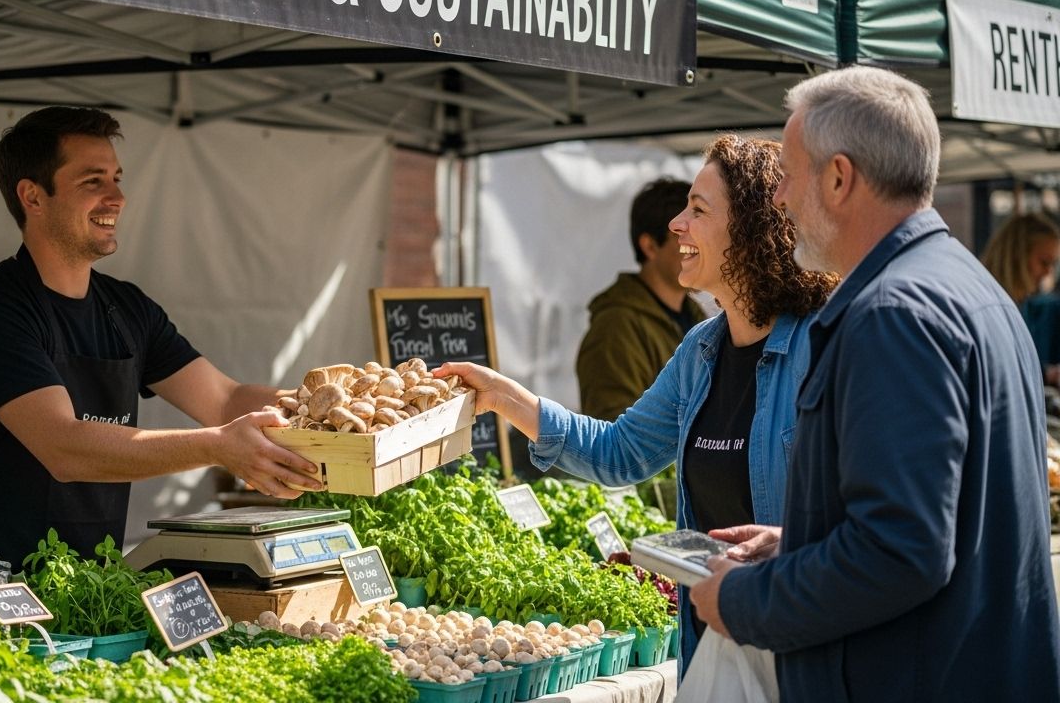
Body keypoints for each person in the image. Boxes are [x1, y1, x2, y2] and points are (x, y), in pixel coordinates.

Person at [690, 67, 1060, 701]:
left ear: (838, 178)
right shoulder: (968, 286)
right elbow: (932, 517)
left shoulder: (894, 314)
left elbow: (899, 552)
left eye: (788, 177)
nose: (778, 200)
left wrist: (746, 601)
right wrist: (803, 540)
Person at [435, 134, 838, 670]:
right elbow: (620, 452)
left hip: (802, 645)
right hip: (715, 641)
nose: (677, 225)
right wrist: (505, 396)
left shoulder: (824, 347)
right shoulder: (702, 350)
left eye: (697, 210)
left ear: (751, 230)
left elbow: (872, 517)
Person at [0, 106, 322, 567]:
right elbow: (65, 447)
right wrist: (217, 446)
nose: (117, 197)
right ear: (33, 197)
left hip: (88, 583)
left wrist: (340, 406)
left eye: (117, 178)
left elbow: (223, 399)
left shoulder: (127, 308)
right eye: (93, 181)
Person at [575, 177, 703, 420]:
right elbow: (613, 432)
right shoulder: (615, 327)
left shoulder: (696, 316)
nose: (696, 244)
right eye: (680, 233)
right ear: (650, 246)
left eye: (698, 230)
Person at [980, 212, 1060, 382]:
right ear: (1018, 256)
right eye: (1044, 262)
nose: (1048, 272)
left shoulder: (1019, 304)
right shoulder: (991, 305)